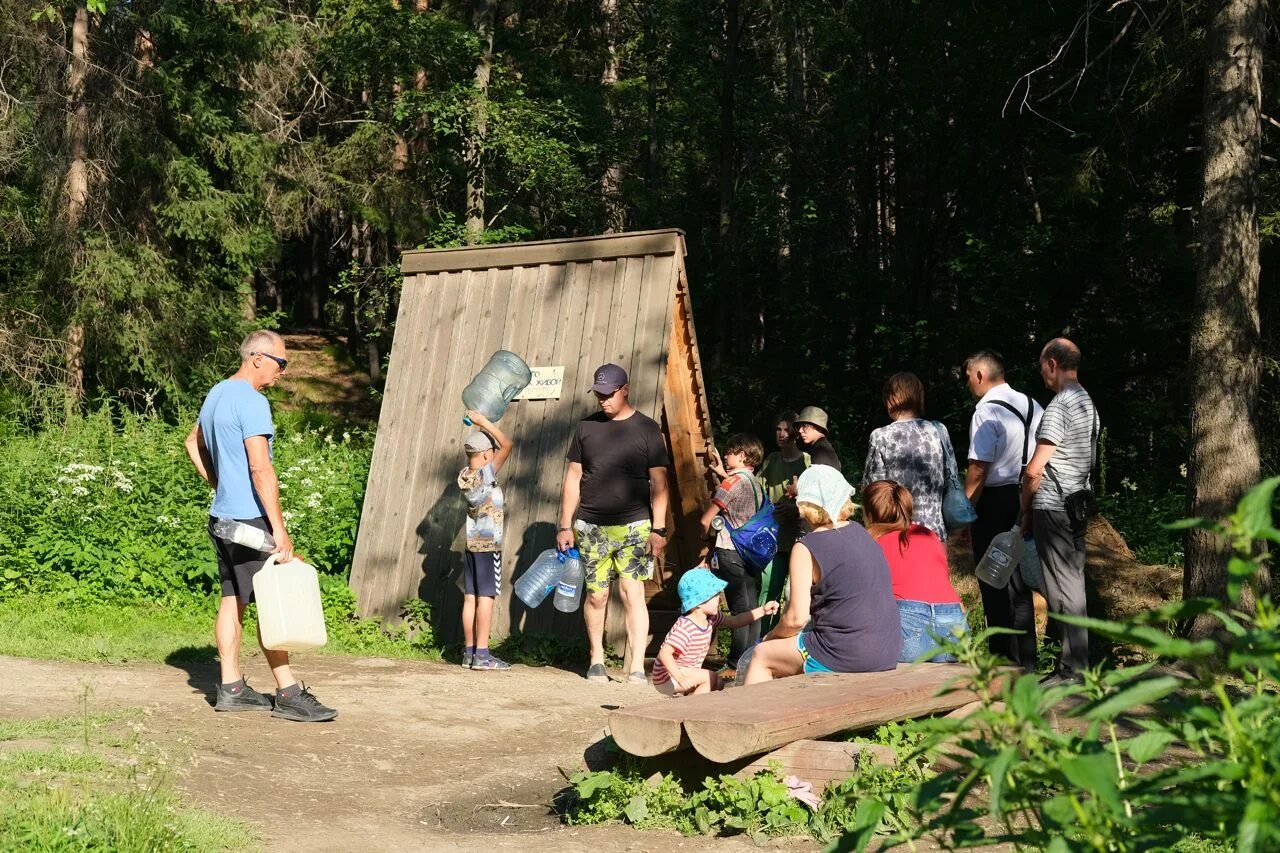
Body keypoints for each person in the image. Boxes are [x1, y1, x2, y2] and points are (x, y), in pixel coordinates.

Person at [184, 330, 337, 722]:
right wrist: (279, 528)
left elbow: (191, 443)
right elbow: (260, 466)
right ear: (257, 358)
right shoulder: (252, 402)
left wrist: (218, 486)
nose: (283, 372)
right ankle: (287, 692)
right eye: (280, 363)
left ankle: (231, 687)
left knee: (231, 598)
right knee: (271, 600)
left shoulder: (216, 393)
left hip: (222, 518)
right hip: (251, 520)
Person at [558, 363, 670, 684]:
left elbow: (660, 483)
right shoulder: (586, 428)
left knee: (633, 593)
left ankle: (635, 666)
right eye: (598, 394)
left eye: (608, 394)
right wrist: (565, 524)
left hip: (635, 525)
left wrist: (659, 529)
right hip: (591, 526)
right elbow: (573, 478)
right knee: (597, 595)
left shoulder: (647, 430)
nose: (603, 400)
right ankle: (596, 659)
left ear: (625, 390)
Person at [742, 466, 900, 684]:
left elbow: (796, 618)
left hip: (846, 653)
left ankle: (754, 716)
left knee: (762, 655)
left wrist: (770, 638)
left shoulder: (806, 547)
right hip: (887, 650)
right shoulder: (861, 533)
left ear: (805, 503)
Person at [1019, 338, 1099, 686]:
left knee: (1063, 588)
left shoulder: (1060, 406)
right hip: (1078, 503)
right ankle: (1074, 665)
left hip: (1053, 505)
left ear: (1052, 363)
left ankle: (1073, 670)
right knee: (1072, 584)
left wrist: (1024, 510)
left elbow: (1035, 469)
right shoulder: (1087, 403)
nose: (1042, 376)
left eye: (1042, 368)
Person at [962, 350, 1044, 671]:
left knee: (994, 582)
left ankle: (1002, 665)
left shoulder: (985, 412)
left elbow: (978, 471)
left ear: (980, 375)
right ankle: (1028, 662)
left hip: (994, 502)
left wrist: (963, 511)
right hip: (1027, 495)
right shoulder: (1032, 405)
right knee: (1019, 584)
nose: (968, 383)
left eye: (968, 376)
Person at [863, 480, 965, 663]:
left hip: (908, 625)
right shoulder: (929, 535)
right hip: (954, 623)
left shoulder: (871, 542)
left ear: (869, 512)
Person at [651, 568, 778, 695]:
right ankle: (693, 710)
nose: (720, 599)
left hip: (682, 672)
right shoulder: (686, 627)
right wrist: (680, 678)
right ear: (699, 602)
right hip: (667, 676)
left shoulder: (711, 618)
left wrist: (763, 611)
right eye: (715, 595)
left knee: (718, 683)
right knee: (710, 678)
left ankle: (692, 704)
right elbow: (664, 653)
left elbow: (736, 621)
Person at [699, 433, 767, 670]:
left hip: (730, 550)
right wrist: (721, 472)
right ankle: (750, 660)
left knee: (739, 611)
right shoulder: (756, 484)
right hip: (751, 552)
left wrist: (704, 540)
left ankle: (733, 663)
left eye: (730, 452)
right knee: (753, 608)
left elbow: (706, 520)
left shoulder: (731, 483)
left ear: (742, 455)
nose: (726, 455)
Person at [456, 411, 514, 671]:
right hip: (488, 546)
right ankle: (482, 655)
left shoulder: (466, 475)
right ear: (487, 454)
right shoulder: (486, 474)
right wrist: (484, 423)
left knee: (471, 598)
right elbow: (508, 444)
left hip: (471, 544)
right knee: (486, 598)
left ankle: (469, 653)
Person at [862, 372, 951, 540]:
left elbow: (873, 488)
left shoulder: (881, 436)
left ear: (890, 399)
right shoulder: (939, 430)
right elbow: (949, 478)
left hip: (897, 531)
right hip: (934, 530)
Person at [755, 411, 810, 631]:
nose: (781, 434)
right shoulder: (772, 460)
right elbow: (757, 492)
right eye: (778, 429)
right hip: (774, 537)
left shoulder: (807, 461)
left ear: (796, 432)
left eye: (787, 429)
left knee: (797, 593)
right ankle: (760, 639)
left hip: (799, 537)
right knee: (769, 589)